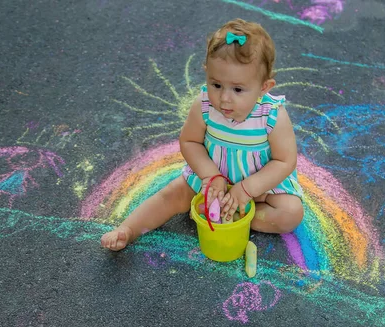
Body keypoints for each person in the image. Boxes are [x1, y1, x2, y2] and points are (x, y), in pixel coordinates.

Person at [101, 18, 304, 251]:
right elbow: (190, 141)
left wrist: (248, 189)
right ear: (207, 73)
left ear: (264, 87)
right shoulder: (205, 105)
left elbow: (284, 161)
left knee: (290, 213)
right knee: (171, 195)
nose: (224, 98)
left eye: (237, 89)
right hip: (211, 178)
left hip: (257, 184)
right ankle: (128, 229)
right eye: (216, 84)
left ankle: (232, 215)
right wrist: (210, 175)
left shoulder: (272, 115)